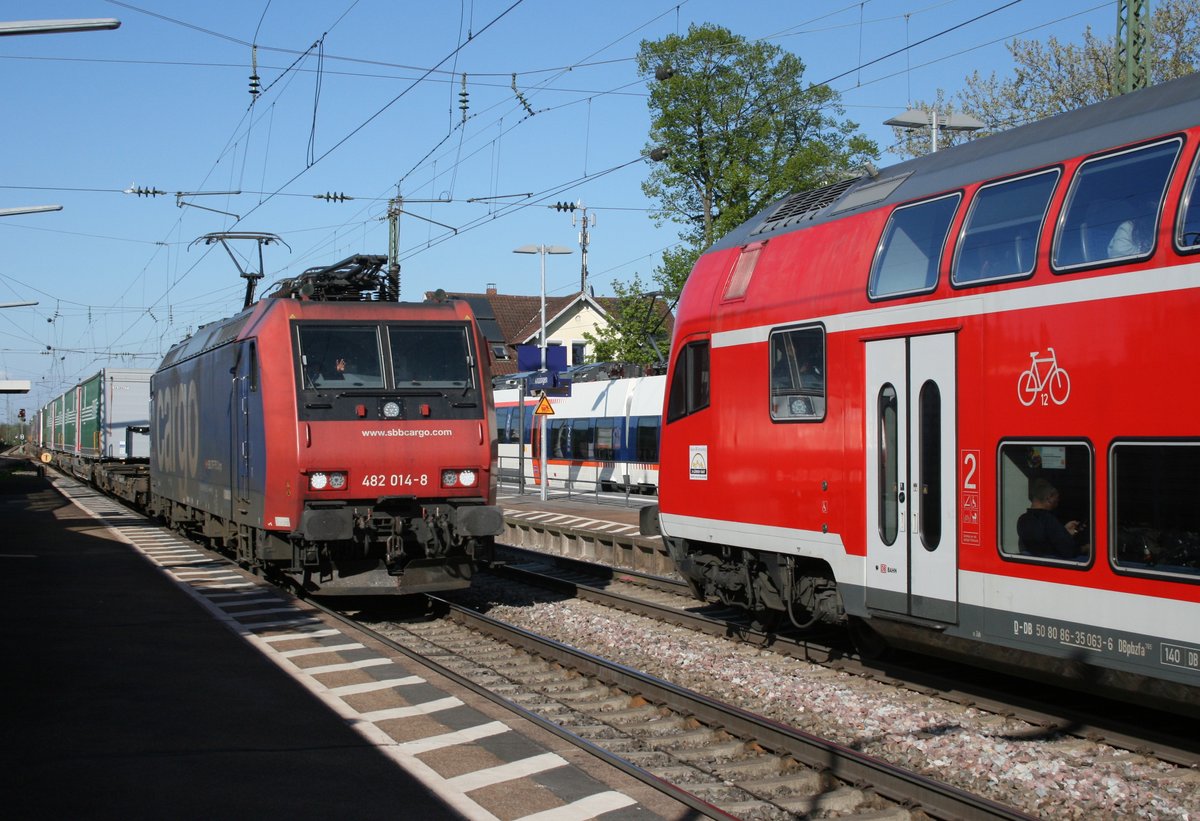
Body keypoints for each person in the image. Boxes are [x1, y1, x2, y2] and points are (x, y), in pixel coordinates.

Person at [1017, 478, 1085, 559]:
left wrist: (1064, 532)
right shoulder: (1049, 520)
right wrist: (1086, 548)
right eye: (1057, 497)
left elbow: (1045, 540)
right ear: (1049, 498)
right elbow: (1070, 551)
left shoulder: (1022, 520)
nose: (1058, 500)